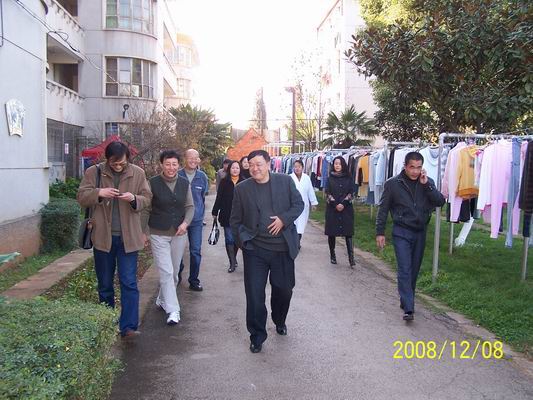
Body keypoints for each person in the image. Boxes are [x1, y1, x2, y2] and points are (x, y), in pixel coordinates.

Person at [230, 150, 304, 353]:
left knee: (284, 290)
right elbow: (235, 220)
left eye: (259, 164)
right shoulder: (242, 189)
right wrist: (243, 242)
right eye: (251, 165)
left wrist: (283, 219)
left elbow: (298, 204)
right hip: (255, 250)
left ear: (269, 164)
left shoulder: (285, 181)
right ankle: (257, 335)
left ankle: (279, 319)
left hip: (282, 249)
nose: (255, 168)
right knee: (254, 294)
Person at [77, 141, 152, 338]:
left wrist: (134, 198)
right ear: (107, 159)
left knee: (129, 283)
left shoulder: (137, 173)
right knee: (105, 284)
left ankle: (128, 327)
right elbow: (81, 197)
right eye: (114, 163)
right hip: (103, 237)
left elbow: (147, 198)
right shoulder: (94, 172)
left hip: (129, 239)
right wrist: (99, 193)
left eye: (122, 163)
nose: (118, 166)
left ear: (128, 159)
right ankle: (107, 323)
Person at [376, 151, 445, 321]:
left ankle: (406, 299)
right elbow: (383, 209)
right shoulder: (393, 184)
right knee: (405, 268)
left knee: (414, 269)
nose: (415, 171)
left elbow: (440, 201)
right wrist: (380, 232)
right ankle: (409, 308)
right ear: (405, 166)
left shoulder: (427, 182)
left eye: (418, 167)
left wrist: (426, 185)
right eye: (412, 167)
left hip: (420, 231)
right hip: (401, 231)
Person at [146, 150, 194, 325]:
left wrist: (185, 223)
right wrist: (143, 232)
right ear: (161, 165)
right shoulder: (152, 183)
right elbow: (146, 208)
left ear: (179, 165)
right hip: (158, 233)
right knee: (166, 272)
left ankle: (162, 298)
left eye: (174, 164)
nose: (171, 167)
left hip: (179, 233)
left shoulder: (184, 183)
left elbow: (190, 207)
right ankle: (173, 310)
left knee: (173, 273)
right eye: (167, 164)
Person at [178, 149, 209, 291]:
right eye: (190, 157)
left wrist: (200, 213)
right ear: (184, 159)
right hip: (179, 220)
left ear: (198, 160)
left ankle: (194, 280)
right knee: (177, 251)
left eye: (195, 158)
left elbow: (202, 197)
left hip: (196, 221)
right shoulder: (178, 175)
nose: (192, 160)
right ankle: (177, 274)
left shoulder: (202, 177)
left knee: (195, 251)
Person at [212, 160, 244, 272]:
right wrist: (215, 211)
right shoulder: (224, 182)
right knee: (229, 239)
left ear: (240, 169)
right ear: (229, 169)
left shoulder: (244, 182)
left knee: (237, 239)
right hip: (227, 214)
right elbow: (219, 197)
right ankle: (232, 262)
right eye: (233, 168)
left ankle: (233, 257)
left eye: (237, 168)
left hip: (241, 216)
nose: (235, 170)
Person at [325, 156, 356, 267]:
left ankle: (351, 258)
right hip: (332, 209)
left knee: (348, 233)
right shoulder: (330, 178)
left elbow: (351, 192)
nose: (337, 165)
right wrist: (335, 204)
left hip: (346, 209)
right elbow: (327, 192)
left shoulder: (349, 178)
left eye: (339, 163)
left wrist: (344, 203)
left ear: (343, 164)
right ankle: (332, 255)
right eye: (335, 163)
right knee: (331, 233)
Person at [290, 159, 318, 248]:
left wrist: (313, 203)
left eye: (299, 166)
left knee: (301, 225)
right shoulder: (290, 178)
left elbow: (310, 191)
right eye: (295, 167)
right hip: (292, 205)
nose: (297, 168)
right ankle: (294, 243)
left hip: (303, 205)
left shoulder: (306, 178)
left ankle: (297, 242)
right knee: (293, 224)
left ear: (302, 167)